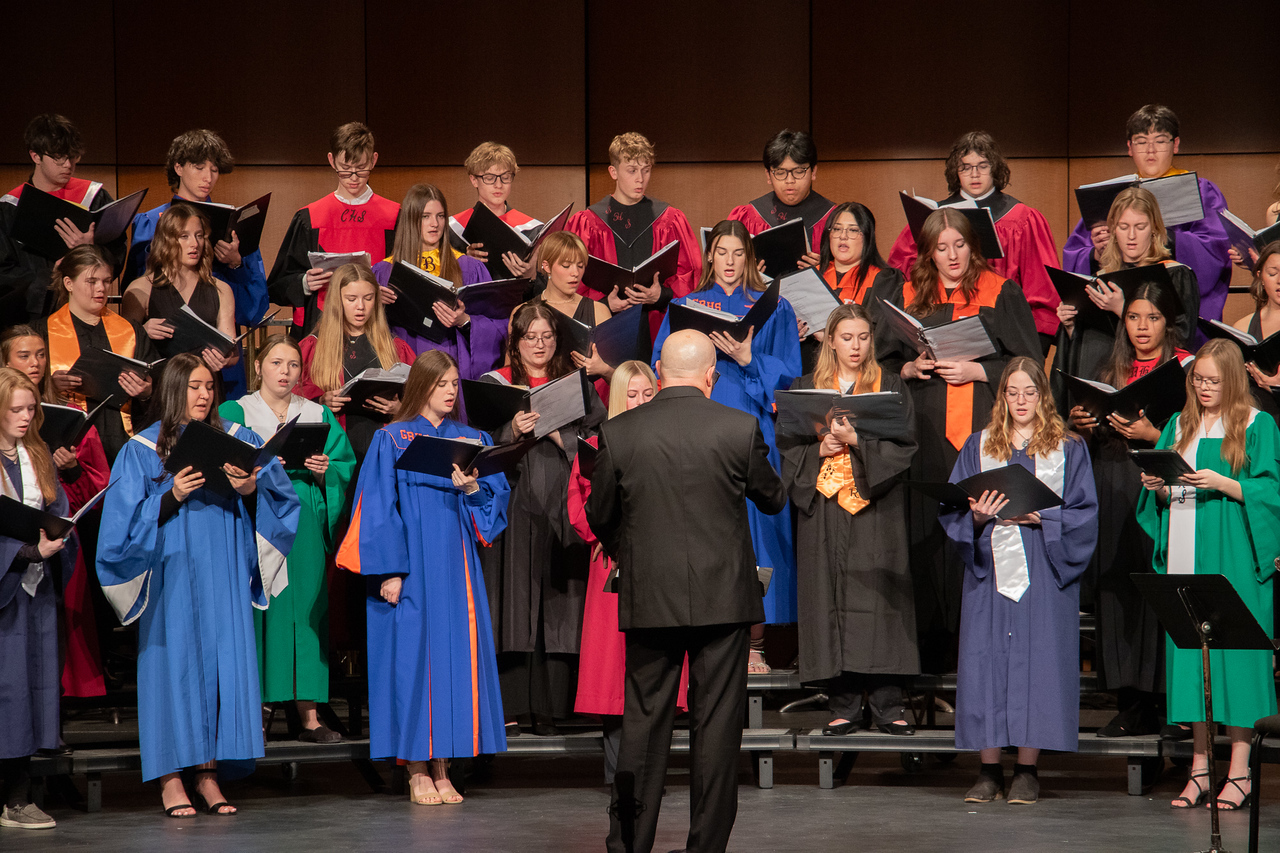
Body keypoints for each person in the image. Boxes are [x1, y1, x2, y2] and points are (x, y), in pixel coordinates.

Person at [587, 329, 788, 853]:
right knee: (717, 730)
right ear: (711, 376)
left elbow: (600, 517)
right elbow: (772, 499)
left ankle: (629, 845)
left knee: (643, 730)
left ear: (658, 374)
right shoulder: (739, 428)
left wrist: (636, 553)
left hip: (650, 598)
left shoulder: (621, 433)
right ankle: (706, 847)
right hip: (724, 602)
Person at [96, 354, 300, 817]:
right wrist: (171, 495)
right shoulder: (142, 450)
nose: (204, 395)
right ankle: (171, 778)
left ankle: (208, 775)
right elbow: (119, 532)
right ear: (172, 391)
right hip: (170, 569)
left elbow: (280, 500)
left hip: (224, 566)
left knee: (221, 665)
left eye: (209, 386)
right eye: (193, 387)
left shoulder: (239, 438)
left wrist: (250, 489)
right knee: (174, 666)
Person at [337, 350, 509, 805]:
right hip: (409, 567)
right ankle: (415, 768)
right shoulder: (392, 439)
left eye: (455, 383)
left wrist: (472, 489)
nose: (451, 390)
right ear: (422, 387)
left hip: (456, 568)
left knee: (452, 661)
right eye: (442, 383)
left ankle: (443, 765)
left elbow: (494, 509)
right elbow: (376, 506)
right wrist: (389, 570)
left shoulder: (472, 439)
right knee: (413, 662)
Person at [876, 209, 1039, 673]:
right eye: (941, 247)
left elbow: (1027, 363)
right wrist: (907, 369)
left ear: (974, 246)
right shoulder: (907, 294)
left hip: (980, 435)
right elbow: (881, 365)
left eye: (960, 245)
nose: (952, 256)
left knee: (978, 532)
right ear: (928, 251)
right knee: (926, 536)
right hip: (922, 433)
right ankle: (927, 655)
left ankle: (982, 651)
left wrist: (979, 370)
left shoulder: (1000, 291)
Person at [941, 357, 1098, 806]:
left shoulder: (1068, 448)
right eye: (1013, 392)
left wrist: (1041, 516)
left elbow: (1085, 514)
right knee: (986, 660)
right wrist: (973, 517)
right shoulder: (979, 444)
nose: (1022, 400)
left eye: (1030, 392)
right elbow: (953, 507)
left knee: (1040, 662)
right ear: (1003, 397)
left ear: (1042, 396)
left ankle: (1027, 769)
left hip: (1045, 566)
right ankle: (988, 770)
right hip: (990, 566)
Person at [1137, 340, 1280, 811]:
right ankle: (1200, 768)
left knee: (1236, 660)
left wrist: (1224, 482)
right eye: (1198, 379)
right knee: (1193, 658)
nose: (1203, 388)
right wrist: (1157, 487)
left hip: (1235, 554)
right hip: (1185, 550)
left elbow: (1272, 494)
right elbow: (1159, 498)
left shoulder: (1258, 425)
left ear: (1234, 380)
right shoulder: (1178, 425)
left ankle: (1240, 771)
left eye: (1214, 381)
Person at [652, 220, 801, 663]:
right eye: (722, 252)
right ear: (710, 256)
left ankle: (757, 642)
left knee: (757, 530)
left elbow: (790, 376)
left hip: (754, 427)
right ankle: (705, 636)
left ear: (750, 258)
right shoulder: (685, 306)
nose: (730, 262)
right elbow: (662, 363)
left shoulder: (774, 308)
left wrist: (747, 357)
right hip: (698, 430)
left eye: (739, 253)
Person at [779, 304, 919, 736]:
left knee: (877, 599)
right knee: (830, 597)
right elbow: (786, 448)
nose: (855, 346)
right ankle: (842, 703)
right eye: (846, 338)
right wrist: (817, 450)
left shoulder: (889, 387)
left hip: (875, 507)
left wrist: (857, 439)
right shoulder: (805, 388)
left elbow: (907, 447)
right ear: (831, 340)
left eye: (862, 338)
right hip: (824, 507)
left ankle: (887, 703)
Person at [1067, 284, 1192, 738]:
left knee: (1160, 587)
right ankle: (1129, 701)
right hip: (1112, 480)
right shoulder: (1109, 367)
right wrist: (1080, 424)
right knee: (1118, 588)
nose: (1142, 326)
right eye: (1134, 317)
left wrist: (1151, 432)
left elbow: (1197, 439)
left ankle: (1169, 704)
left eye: (1153, 318)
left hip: (1161, 482)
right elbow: (1085, 424)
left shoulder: (1185, 370)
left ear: (1168, 323)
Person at [220, 334, 356, 744]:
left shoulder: (316, 414)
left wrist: (321, 469)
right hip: (257, 517)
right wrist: (261, 466)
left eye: (294, 365)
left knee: (307, 611)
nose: (286, 371)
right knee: (262, 609)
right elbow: (224, 462)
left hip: (305, 521)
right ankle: (255, 711)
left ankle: (309, 716)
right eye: (277, 363)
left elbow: (342, 468)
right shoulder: (236, 410)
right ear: (258, 366)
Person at [479, 301, 605, 734]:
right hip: (514, 503)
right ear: (515, 342)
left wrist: (561, 436)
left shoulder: (577, 389)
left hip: (561, 502)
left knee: (559, 600)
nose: (539, 344)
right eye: (529, 336)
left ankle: (555, 708)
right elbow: (478, 447)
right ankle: (513, 705)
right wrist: (510, 432)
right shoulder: (496, 386)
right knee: (514, 599)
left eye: (547, 336)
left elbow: (598, 445)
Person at [566, 359, 687, 783]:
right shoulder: (598, 444)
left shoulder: (671, 439)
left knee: (655, 665)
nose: (639, 401)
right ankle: (621, 774)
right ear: (617, 398)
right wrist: (606, 532)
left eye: (647, 393)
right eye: (630, 394)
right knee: (615, 670)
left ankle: (653, 772)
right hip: (611, 562)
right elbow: (578, 506)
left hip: (660, 561)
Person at [2, 326, 110, 699]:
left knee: (57, 623)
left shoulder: (71, 411)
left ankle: (57, 707)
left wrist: (72, 469)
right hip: (12, 542)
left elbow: (99, 483)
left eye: (41, 354)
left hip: (56, 532)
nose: (35, 363)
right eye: (24, 355)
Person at [886, 131, 1062, 351]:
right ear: (955, 172)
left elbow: (1042, 287)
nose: (974, 174)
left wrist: (1034, 347)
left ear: (994, 168)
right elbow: (901, 274)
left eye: (983, 165)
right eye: (965, 167)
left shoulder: (1023, 219)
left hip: (1002, 333)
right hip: (937, 330)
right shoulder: (933, 217)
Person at [1062, 104, 1230, 321]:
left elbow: (1215, 252)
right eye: (1141, 142)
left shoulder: (1200, 191)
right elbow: (1075, 256)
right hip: (1118, 315)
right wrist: (1098, 252)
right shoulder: (1116, 196)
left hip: (1175, 306)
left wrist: (1162, 236)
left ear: (1175, 144)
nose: (1151, 151)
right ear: (1130, 148)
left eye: (1160, 141)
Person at [1050, 187, 1199, 417]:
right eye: (1123, 227)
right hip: (1101, 387)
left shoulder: (1174, 275)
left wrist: (1123, 310)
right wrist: (1070, 325)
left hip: (1145, 392)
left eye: (1140, 227)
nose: (1131, 236)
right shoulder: (1102, 278)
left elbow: (1180, 338)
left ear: (1155, 230)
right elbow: (1084, 350)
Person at [0, 368, 72, 831]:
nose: (27, 418)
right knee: (5, 693)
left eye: (31, 409)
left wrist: (57, 534)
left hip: (35, 589)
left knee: (27, 693)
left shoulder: (37, 453)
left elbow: (57, 506)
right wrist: (24, 550)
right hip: (5, 589)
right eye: (16, 409)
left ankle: (18, 797)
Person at [122, 129, 269, 340]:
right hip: (166, 336)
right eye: (199, 168)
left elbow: (255, 307)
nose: (207, 178)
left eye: (214, 170)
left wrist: (236, 264)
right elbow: (135, 292)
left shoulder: (234, 222)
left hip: (220, 336)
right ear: (178, 167)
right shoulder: (152, 221)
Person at [268, 122, 399, 336]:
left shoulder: (394, 217)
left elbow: (410, 283)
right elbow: (276, 286)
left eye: (361, 168)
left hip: (379, 329)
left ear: (374, 160)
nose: (354, 177)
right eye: (345, 169)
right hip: (321, 329)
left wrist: (391, 294)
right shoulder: (309, 219)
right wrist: (304, 282)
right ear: (331, 160)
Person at [566, 132, 701, 339]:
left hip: (657, 327)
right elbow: (572, 281)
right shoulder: (587, 223)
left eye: (646, 170)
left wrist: (661, 295)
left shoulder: (670, 220)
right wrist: (604, 305)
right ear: (613, 172)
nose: (640, 179)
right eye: (632, 171)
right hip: (605, 328)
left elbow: (690, 274)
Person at [34, 246, 157, 464]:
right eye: (92, 282)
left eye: (106, 281)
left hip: (122, 445)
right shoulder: (41, 333)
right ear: (68, 283)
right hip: (67, 450)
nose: (101, 288)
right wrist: (48, 386)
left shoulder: (131, 332)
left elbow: (157, 387)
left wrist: (146, 392)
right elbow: (18, 390)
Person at [0, 114, 125, 326]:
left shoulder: (94, 198)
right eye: (59, 157)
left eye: (72, 157)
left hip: (87, 317)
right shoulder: (9, 208)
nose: (68, 164)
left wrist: (90, 249)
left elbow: (117, 251)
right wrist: (50, 276)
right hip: (29, 321)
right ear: (35, 156)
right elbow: (3, 271)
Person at [371, 184, 501, 380]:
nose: (435, 224)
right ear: (410, 220)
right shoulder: (384, 272)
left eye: (440, 216)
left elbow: (497, 325)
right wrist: (373, 304)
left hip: (454, 369)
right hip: (405, 368)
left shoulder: (468, 267)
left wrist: (465, 321)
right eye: (426, 216)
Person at [296, 263, 415, 461]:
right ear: (337, 300)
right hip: (335, 450)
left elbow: (421, 399)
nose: (361, 306)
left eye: (368, 298)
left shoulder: (395, 348)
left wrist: (400, 409)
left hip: (382, 448)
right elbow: (290, 398)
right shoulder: (313, 347)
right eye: (351, 299)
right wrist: (321, 401)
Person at [121, 204, 240, 390]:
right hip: (162, 392)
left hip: (205, 391)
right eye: (184, 236)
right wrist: (142, 331)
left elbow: (232, 354)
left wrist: (224, 359)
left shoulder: (221, 290)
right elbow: (122, 349)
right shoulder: (141, 289)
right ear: (166, 240)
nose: (194, 244)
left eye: (199, 236)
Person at [800, 201, 903, 371]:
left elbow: (884, 343)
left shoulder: (883, 280)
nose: (843, 236)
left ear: (867, 236)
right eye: (837, 229)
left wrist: (829, 338)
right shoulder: (811, 278)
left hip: (862, 379)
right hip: (813, 373)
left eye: (853, 230)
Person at [728, 128, 833, 261]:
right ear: (768, 175)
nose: (790, 180)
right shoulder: (746, 217)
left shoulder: (834, 219)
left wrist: (824, 271)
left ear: (813, 172)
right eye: (780, 172)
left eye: (799, 171)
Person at [535, 231, 614, 388]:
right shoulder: (524, 312)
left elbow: (622, 380)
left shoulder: (599, 311)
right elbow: (512, 376)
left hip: (591, 407)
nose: (575, 273)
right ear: (546, 266)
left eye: (580, 266)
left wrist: (603, 369)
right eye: (566, 266)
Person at [450, 141, 541, 278]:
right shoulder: (453, 229)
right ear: (474, 180)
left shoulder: (532, 230)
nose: (498, 185)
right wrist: (464, 260)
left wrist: (530, 274)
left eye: (505, 177)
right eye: (489, 178)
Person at [1227, 241, 1280, 412]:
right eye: (1273, 273)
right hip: (1255, 419)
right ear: (1260, 277)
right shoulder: (1243, 327)